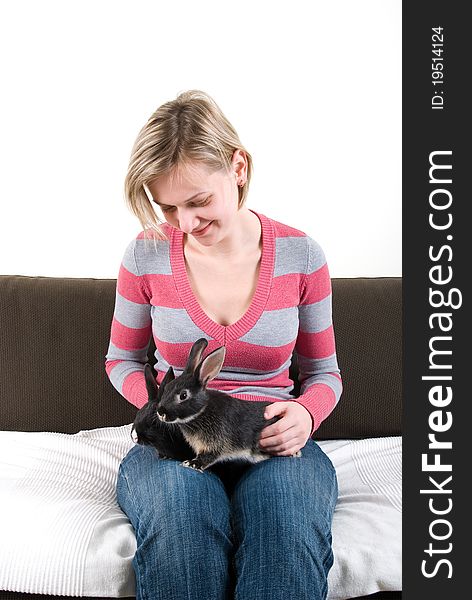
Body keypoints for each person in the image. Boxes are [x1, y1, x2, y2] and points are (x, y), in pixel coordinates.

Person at [105, 89, 342, 600]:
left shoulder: (302, 255)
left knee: (286, 529)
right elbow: (121, 360)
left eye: (198, 201)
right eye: (167, 207)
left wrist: (306, 415)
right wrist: (165, 411)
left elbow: (324, 373)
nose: (185, 223)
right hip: (175, 442)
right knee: (182, 525)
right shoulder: (145, 256)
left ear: (238, 168)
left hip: (270, 443)